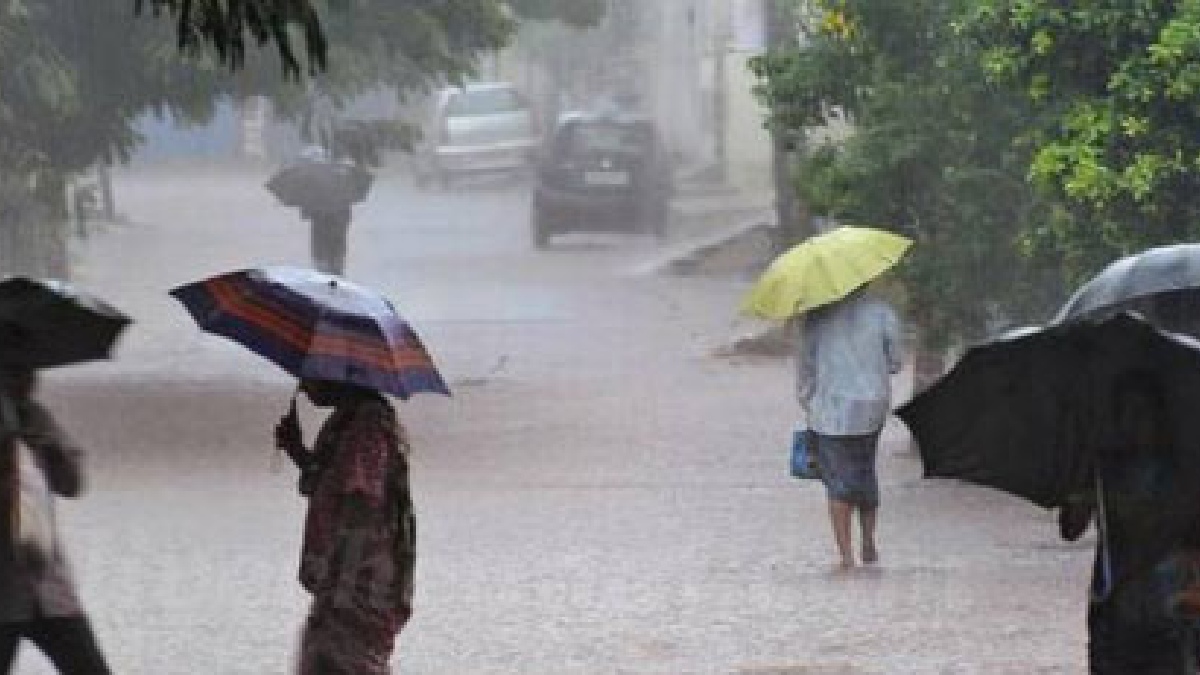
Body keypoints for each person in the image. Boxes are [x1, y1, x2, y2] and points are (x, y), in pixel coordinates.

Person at [274, 378, 416, 675]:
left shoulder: (367, 427)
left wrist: (344, 582)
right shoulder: (346, 422)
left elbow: (361, 500)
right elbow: (330, 485)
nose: (305, 386)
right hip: (343, 574)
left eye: (312, 377)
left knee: (342, 660)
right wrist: (297, 450)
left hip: (360, 577)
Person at [0, 365, 111, 674]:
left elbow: (72, 485)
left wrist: (50, 449)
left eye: (28, 373)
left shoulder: (35, 417)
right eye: (15, 373)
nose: (28, 380)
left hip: (48, 586)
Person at [796, 286, 903, 570]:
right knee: (865, 472)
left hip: (830, 411)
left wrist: (807, 401)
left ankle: (846, 556)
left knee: (838, 482)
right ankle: (868, 542)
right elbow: (895, 363)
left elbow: (806, 366)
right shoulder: (883, 313)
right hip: (871, 408)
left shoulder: (816, 317)